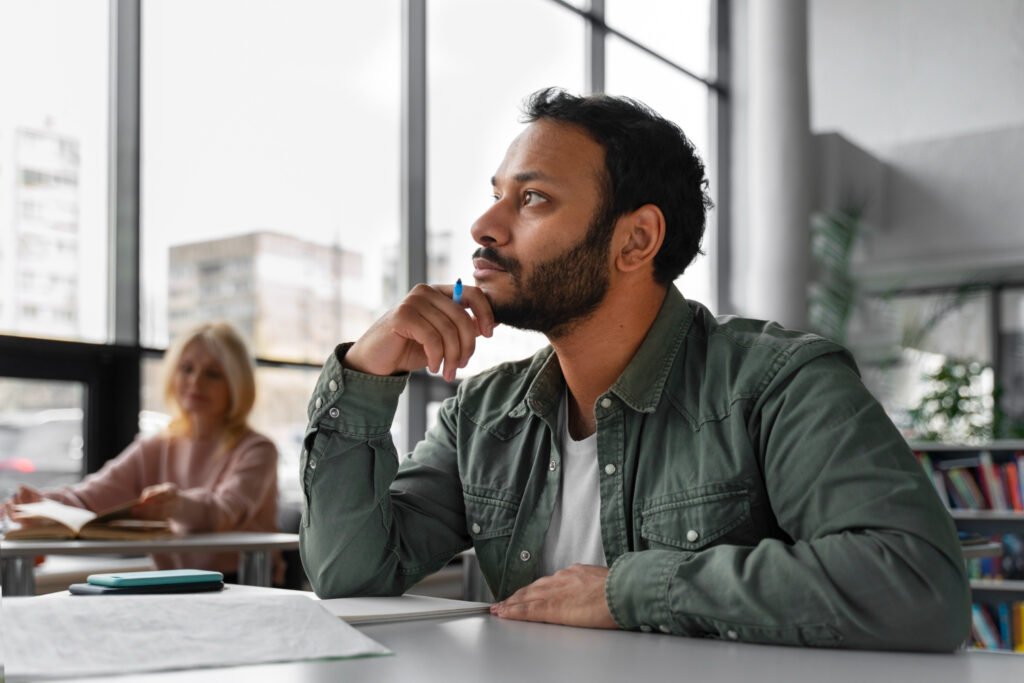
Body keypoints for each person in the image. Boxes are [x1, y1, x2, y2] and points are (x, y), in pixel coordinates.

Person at [298, 88, 970, 651]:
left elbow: (918, 585)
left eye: (531, 199)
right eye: (497, 194)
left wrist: (629, 589)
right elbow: (349, 574)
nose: (484, 224)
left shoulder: (778, 383)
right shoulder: (482, 415)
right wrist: (364, 374)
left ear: (636, 239)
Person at [5, 322, 280, 581]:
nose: (196, 382)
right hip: (172, 587)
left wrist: (178, 505)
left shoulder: (258, 450)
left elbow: (224, 512)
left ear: (237, 384)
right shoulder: (156, 446)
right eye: (187, 368)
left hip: (245, 583)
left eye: (213, 374)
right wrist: (43, 503)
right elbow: (92, 495)